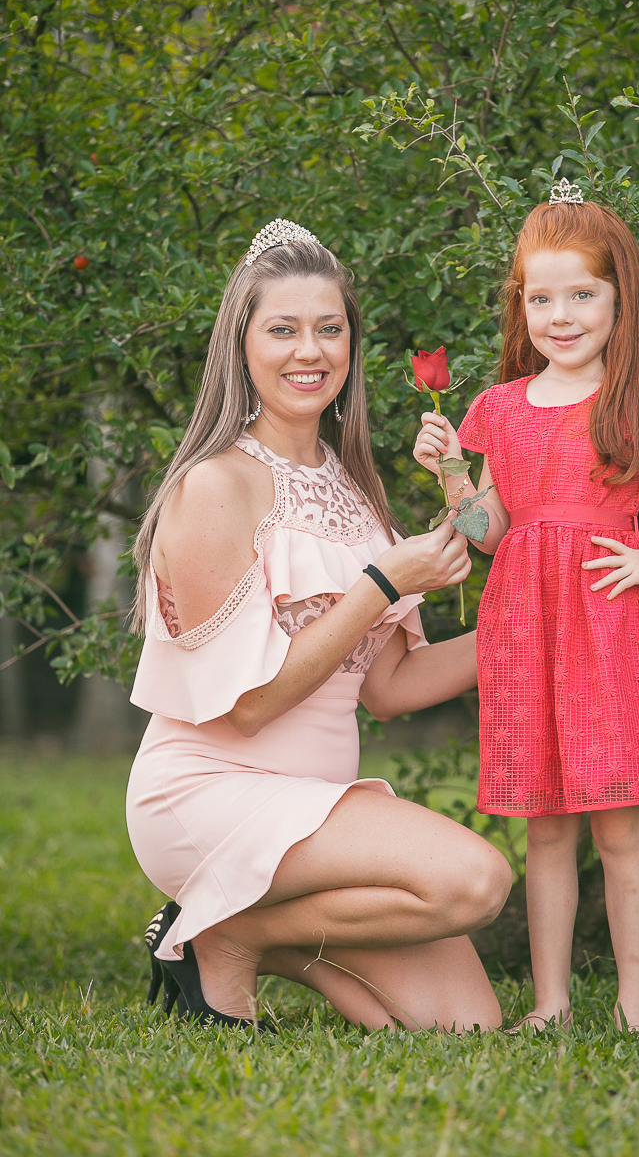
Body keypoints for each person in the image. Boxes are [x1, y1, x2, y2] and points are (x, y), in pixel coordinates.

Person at [127, 218, 512, 1033]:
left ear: (350, 344)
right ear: (241, 347)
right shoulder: (214, 486)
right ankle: (223, 933)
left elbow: (390, 689)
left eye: (329, 329)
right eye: (284, 329)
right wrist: (381, 584)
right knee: (472, 882)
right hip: (210, 795)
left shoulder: (354, 486)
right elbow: (249, 707)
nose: (311, 350)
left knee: (465, 1026)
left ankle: (241, 932)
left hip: (317, 807)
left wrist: (528, 632)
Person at [413, 182, 639, 1034]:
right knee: (546, 831)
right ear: (522, 305)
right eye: (542, 298)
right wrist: (451, 477)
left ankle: (635, 1007)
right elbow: (491, 532)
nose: (561, 315)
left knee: (618, 829)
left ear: (620, 300)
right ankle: (551, 1004)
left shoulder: (638, 399)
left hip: (610, 627)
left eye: (583, 295)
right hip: (528, 628)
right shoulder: (498, 408)